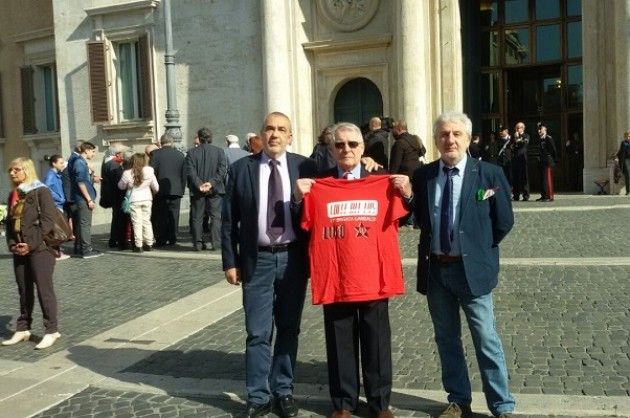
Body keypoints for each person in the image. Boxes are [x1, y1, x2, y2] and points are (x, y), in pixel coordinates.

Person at [295, 122, 412, 418]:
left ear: (362, 148)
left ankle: (379, 403)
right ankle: (344, 404)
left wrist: (407, 192)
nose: (346, 149)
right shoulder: (317, 184)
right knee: (339, 343)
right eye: (340, 145)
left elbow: (408, 212)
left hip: (373, 276)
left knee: (377, 343)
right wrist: (299, 198)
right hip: (337, 277)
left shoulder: (382, 181)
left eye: (352, 144)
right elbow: (303, 223)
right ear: (331, 149)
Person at [411, 111, 515, 418]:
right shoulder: (424, 176)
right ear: (436, 140)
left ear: (468, 139)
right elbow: (416, 216)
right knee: (446, 338)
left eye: (456, 134)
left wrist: (478, 248)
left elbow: (504, 221)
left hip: (472, 271)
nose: (450, 140)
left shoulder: (489, 175)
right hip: (436, 272)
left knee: (486, 339)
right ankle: (459, 399)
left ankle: (502, 405)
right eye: (444, 134)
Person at [221, 112, 317, 418]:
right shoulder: (241, 169)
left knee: (289, 328)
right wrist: (230, 261)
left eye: (281, 130)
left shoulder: (306, 167)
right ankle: (258, 396)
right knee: (258, 332)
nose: (274, 134)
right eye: (269, 129)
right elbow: (227, 221)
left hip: (293, 259)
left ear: (290, 136)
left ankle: (284, 391)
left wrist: (370, 164)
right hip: (256, 259)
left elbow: (342, 179)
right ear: (260, 135)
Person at [3, 158, 61, 349]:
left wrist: (31, 244)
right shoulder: (14, 194)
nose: (12, 173)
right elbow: (10, 223)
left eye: (17, 169)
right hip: (19, 249)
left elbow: (47, 221)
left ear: (27, 170)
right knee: (23, 289)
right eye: (11, 170)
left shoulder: (40, 191)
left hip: (41, 249)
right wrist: (13, 244)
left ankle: (51, 330)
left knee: (44, 290)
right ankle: (23, 328)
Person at [186, 128, 227, 251]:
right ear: (210, 137)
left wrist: (199, 184)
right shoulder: (219, 152)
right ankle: (216, 242)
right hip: (214, 189)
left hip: (198, 190)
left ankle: (198, 244)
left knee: (197, 217)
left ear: (199, 137)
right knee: (216, 217)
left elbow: (190, 171)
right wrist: (211, 183)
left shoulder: (191, 152)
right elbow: (222, 170)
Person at [118, 153, 159, 252]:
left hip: (134, 199)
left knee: (137, 222)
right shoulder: (150, 171)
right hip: (147, 198)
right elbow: (156, 188)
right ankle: (149, 244)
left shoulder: (127, 173)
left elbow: (121, 186)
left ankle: (138, 245)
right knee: (147, 221)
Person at [150, 132, 186, 246]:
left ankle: (161, 238)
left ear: (161, 143)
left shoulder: (155, 154)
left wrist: (152, 189)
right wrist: (182, 189)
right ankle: (173, 237)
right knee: (174, 215)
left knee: (161, 215)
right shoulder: (180, 155)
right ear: (172, 142)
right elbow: (184, 174)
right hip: (176, 189)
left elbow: (151, 172)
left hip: (160, 190)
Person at [68, 142, 102, 258]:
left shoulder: (78, 161)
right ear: (86, 150)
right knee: (85, 224)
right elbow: (80, 182)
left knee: (80, 224)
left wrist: (92, 174)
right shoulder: (80, 162)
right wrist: (89, 199)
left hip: (78, 198)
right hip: (82, 199)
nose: (93, 154)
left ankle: (80, 248)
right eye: (92, 151)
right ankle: (86, 250)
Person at [101, 145, 130, 249]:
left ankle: (114, 240)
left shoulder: (107, 162)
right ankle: (118, 241)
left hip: (113, 195)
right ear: (118, 154)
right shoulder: (113, 164)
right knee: (120, 219)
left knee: (116, 218)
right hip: (118, 195)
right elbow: (118, 181)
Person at [44, 155, 70, 261]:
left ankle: (56, 251)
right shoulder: (51, 175)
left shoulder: (55, 174)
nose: (62, 164)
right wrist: (58, 197)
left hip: (58, 203)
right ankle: (55, 253)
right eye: (60, 162)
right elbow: (46, 187)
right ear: (54, 163)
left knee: (57, 228)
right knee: (57, 229)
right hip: (55, 204)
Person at [536, 123, 556, 202]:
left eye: (541, 129)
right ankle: (543, 195)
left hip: (547, 161)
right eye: (538, 129)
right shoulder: (540, 139)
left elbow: (553, 150)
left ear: (545, 130)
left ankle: (549, 196)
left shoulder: (548, 138)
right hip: (541, 161)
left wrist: (551, 159)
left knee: (548, 179)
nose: (539, 131)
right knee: (542, 179)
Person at [511, 122, 530, 201]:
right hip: (515, 159)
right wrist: (516, 140)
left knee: (524, 178)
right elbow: (511, 146)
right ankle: (516, 195)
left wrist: (517, 139)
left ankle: (526, 195)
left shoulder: (526, 135)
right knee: (515, 178)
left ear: (522, 128)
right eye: (516, 128)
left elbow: (524, 142)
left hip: (523, 159)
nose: (516, 129)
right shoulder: (513, 136)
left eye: (518, 128)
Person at [615, 130, 630, 195]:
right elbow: (621, 152)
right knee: (628, 175)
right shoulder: (623, 143)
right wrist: (616, 156)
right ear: (625, 137)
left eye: (629, 136)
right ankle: (628, 191)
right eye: (627, 136)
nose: (628, 137)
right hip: (626, 160)